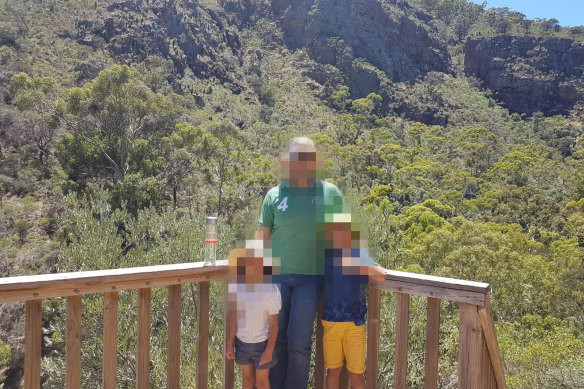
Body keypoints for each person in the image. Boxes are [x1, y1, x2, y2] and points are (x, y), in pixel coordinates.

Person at [255, 137, 343, 389]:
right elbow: (262, 239)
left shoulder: (329, 192)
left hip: (311, 280)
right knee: (276, 338)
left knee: (298, 341)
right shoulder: (274, 195)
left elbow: (344, 237)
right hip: (276, 279)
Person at [320, 214, 386, 389]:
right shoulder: (326, 258)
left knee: (356, 375)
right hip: (331, 323)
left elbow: (381, 275)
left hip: (354, 325)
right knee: (332, 371)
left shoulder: (359, 255)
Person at [225, 243, 281, 389]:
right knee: (247, 381)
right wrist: (229, 344)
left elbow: (274, 323)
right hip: (242, 342)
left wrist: (269, 351)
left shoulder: (270, 290)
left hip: (262, 344)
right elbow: (233, 318)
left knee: (262, 383)